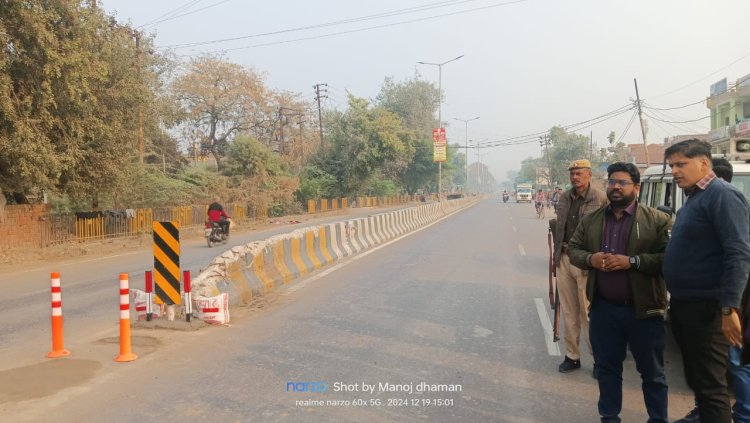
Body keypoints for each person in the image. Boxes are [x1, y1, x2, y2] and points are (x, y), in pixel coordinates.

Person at [568, 162, 671, 423]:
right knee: (607, 369)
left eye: (622, 182)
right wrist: (591, 259)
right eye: (611, 182)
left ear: (636, 187)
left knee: (653, 373)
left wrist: (632, 262)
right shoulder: (592, 220)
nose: (615, 187)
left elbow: (667, 259)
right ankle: (609, 417)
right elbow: (574, 249)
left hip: (644, 311)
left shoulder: (657, 220)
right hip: (604, 310)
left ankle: (658, 419)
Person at [664, 139, 750, 423]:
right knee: (700, 381)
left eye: (681, 164)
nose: (675, 171)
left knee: (712, 387)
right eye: (672, 165)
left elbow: (738, 253)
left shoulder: (722, 195)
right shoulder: (695, 198)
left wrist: (729, 308)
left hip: (709, 308)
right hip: (686, 305)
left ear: (703, 163)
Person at [553, 159, 609, 373]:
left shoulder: (600, 197)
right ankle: (572, 355)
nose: (575, 177)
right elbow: (559, 228)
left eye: (579, 173)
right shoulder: (564, 197)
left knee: (588, 313)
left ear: (589, 175)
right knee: (569, 311)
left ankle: (598, 360)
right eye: (572, 173)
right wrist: (555, 258)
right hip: (564, 259)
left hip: (586, 261)